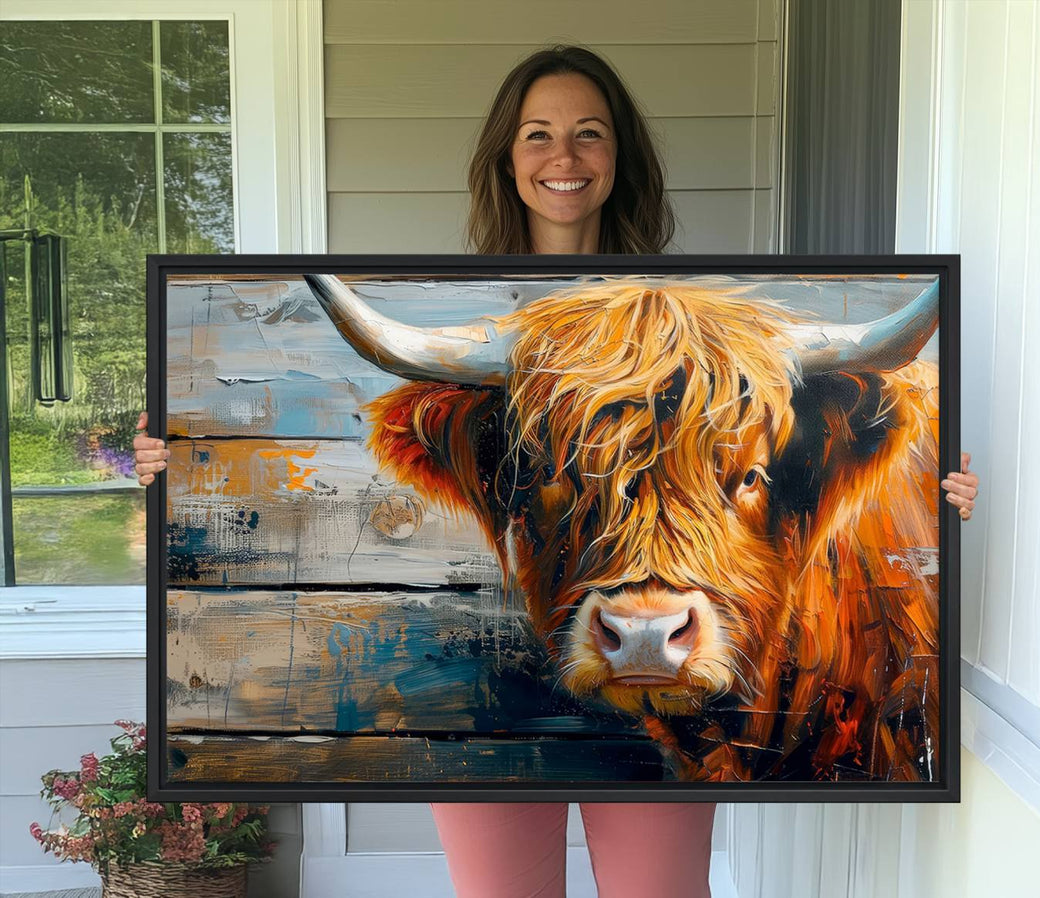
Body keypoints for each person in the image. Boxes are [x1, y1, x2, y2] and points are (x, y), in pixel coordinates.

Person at [133, 45, 980, 898]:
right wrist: (180, 462)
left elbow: (840, 462)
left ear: (619, 159)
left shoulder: (719, 330)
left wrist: (934, 486)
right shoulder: (458, 325)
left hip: (679, 707)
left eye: (589, 134)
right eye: (538, 135)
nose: (563, 157)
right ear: (508, 157)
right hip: (490, 694)